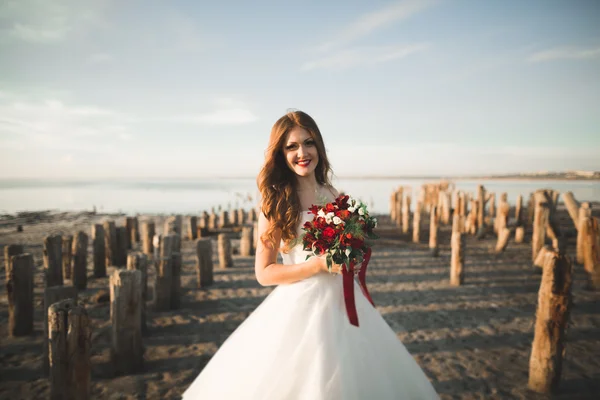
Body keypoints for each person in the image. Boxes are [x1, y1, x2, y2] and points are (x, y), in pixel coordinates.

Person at [182, 110, 439, 399]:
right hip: (301, 306)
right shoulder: (276, 201)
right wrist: (317, 265)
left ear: (319, 146)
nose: (302, 153)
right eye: (291, 146)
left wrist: (350, 254)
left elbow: (345, 247)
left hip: (345, 303)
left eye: (308, 143)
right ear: (280, 153)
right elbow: (264, 273)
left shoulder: (333, 192)